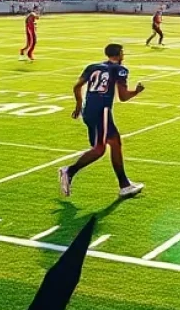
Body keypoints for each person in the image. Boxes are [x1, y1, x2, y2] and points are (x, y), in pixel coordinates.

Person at [60, 43, 145, 199]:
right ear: (119, 54)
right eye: (122, 53)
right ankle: (69, 171)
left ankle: (124, 184)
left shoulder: (92, 67)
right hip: (102, 111)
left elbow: (77, 86)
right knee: (99, 149)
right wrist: (137, 91)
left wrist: (79, 106)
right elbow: (123, 96)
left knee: (115, 143)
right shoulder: (120, 70)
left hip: (89, 110)